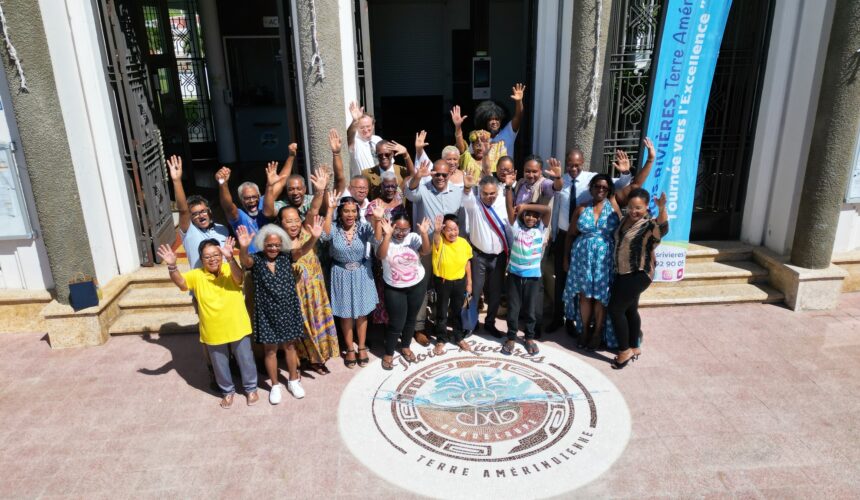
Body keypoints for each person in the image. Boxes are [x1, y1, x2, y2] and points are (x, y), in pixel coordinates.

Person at [547, 140, 652, 333]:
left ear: (583, 163)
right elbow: (555, 199)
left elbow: (623, 187)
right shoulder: (560, 179)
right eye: (570, 164)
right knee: (562, 280)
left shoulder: (594, 180)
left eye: (577, 165)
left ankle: (578, 323)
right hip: (567, 236)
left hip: (597, 245)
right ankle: (559, 318)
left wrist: (626, 173)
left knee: (590, 289)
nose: (573, 168)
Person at [156, 239, 258, 409]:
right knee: (220, 366)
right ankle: (227, 392)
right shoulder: (196, 275)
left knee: (246, 360)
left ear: (221, 255)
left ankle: (251, 389)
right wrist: (172, 266)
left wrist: (231, 258)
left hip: (238, 325)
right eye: (207, 256)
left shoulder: (228, 268)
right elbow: (181, 283)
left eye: (216, 255)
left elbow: (239, 279)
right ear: (201, 259)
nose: (212, 259)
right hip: (213, 329)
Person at [236, 220, 322, 402]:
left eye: (276, 245)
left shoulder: (287, 256)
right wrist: (243, 247)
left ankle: (293, 380)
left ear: (281, 244)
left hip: (288, 309)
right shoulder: (256, 259)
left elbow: (304, 250)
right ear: (262, 244)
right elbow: (245, 261)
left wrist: (314, 237)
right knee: (270, 351)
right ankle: (275, 385)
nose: (273, 248)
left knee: (290, 347)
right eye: (269, 245)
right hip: (266, 313)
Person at [405, 160, 465, 345]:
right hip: (427, 243)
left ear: (450, 174)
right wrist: (417, 176)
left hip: (449, 247)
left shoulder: (457, 191)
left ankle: (448, 326)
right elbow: (409, 193)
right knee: (422, 286)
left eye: (443, 174)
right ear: (431, 173)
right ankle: (419, 327)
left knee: (448, 287)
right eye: (436, 174)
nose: (440, 177)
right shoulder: (424, 188)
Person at [608, 188, 668, 369]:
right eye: (631, 207)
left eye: (639, 208)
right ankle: (635, 345)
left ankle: (624, 350)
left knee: (615, 310)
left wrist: (662, 208)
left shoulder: (648, 224)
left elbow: (663, 230)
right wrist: (612, 196)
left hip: (638, 274)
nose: (634, 212)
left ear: (647, 207)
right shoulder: (625, 220)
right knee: (630, 310)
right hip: (623, 272)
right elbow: (617, 211)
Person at [279, 202, 339, 375]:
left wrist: (320, 191)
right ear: (281, 223)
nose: (294, 224)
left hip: (316, 289)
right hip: (297, 294)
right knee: (303, 328)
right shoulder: (280, 243)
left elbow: (313, 209)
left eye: (297, 220)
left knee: (318, 323)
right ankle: (308, 359)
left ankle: (319, 357)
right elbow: (298, 253)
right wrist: (314, 239)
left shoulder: (306, 231)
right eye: (289, 221)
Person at [323, 196, 378, 368]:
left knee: (362, 313)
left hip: (361, 271)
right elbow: (324, 236)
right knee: (346, 314)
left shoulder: (363, 227)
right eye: (346, 210)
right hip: (340, 273)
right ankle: (349, 348)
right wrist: (330, 208)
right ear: (340, 212)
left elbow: (377, 239)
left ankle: (361, 346)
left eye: (353, 211)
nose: (350, 214)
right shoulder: (334, 228)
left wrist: (377, 219)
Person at [374, 212, 431, 370]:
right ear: (391, 226)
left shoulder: (413, 237)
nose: (401, 233)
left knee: (411, 318)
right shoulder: (384, 238)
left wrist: (424, 234)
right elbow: (381, 255)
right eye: (397, 229)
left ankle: (405, 346)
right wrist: (388, 236)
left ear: (410, 228)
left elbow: (426, 251)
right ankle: (389, 353)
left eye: (405, 229)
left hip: (416, 283)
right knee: (396, 322)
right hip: (394, 287)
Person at [502, 177, 551, 355]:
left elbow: (546, 210)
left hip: (532, 276)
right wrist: (509, 188)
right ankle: (511, 337)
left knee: (530, 309)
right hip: (515, 275)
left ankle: (529, 337)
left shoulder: (540, 229)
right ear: (521, 217)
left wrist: (527, 206)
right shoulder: (516, 228)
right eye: (527, 215)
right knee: (514, 308)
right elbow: (509, 208)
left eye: (534, 216)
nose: (530, 217)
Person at [462, 169, 509, 338]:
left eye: (493, 193)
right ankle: (471, 324)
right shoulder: (474, 203)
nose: (490, 197)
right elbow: (466, 199)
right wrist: (467, 188)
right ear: (479, 192)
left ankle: (490, 323)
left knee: (496, 293)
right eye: (486, 193)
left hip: (499, 257)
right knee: (474, 291)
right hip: (479, 256)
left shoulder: (503, 203)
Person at [167, 155, 229, 269]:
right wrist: (176, 181)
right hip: (200, 284)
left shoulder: (223, 230)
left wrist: (222, 182)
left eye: (203, 211)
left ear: (209, 211)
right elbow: (183, 211)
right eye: (195, 214)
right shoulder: (189, 232)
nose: (200, 215)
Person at [365, 170, 407, 325]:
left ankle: (397, 323)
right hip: (380, 250)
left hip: (398, 251)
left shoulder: (399, 204)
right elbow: (373, 234)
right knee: (382, 288)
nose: (390, 189)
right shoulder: (374, 205)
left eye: (393, 186)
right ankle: (383, 324)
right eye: (387, 186)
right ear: (381, 186)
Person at [431, 214, 473, 355]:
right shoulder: (439, 241)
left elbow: (468, 263)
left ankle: (458, 337)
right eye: (448, 229)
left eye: (455, 229)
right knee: (442, 312)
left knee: (457, 311)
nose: (452, 233)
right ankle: (441, 339)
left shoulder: (463, 243)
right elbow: (436, 240)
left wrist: (469, 283)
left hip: (459, 282)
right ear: (443, 230)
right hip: (443, 282)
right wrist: (436, 231)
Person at [459, 83, 526, 171]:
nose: (494, 122)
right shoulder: (479, 137)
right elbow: (467, 154)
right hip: (486, 178)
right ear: (485, 121)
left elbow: (518, 116)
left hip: (505, 177)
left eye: (497, 119)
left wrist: (519, 101)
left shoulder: (508, 132)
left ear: (501, 120)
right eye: (491, 119)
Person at [346, 101, 383, 175]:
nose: (365, 130)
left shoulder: (378, 139)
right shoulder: (355, 141)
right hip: (363, 184)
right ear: (357, 128)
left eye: (368, 126)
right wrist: (355, 121)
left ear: (373, 126)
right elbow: (348, 139)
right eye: (362, 127)